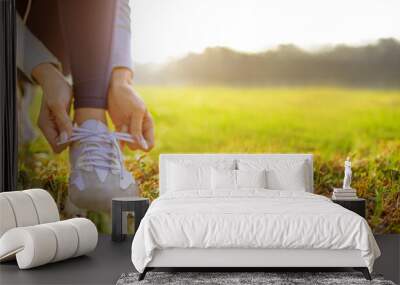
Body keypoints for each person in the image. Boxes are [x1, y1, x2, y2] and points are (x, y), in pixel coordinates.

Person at [16, 0, 154, 213]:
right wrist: (43, 71)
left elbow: (116, 5)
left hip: (62, 36)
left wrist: (121, 77)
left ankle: (91, 126)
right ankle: (19, 93)